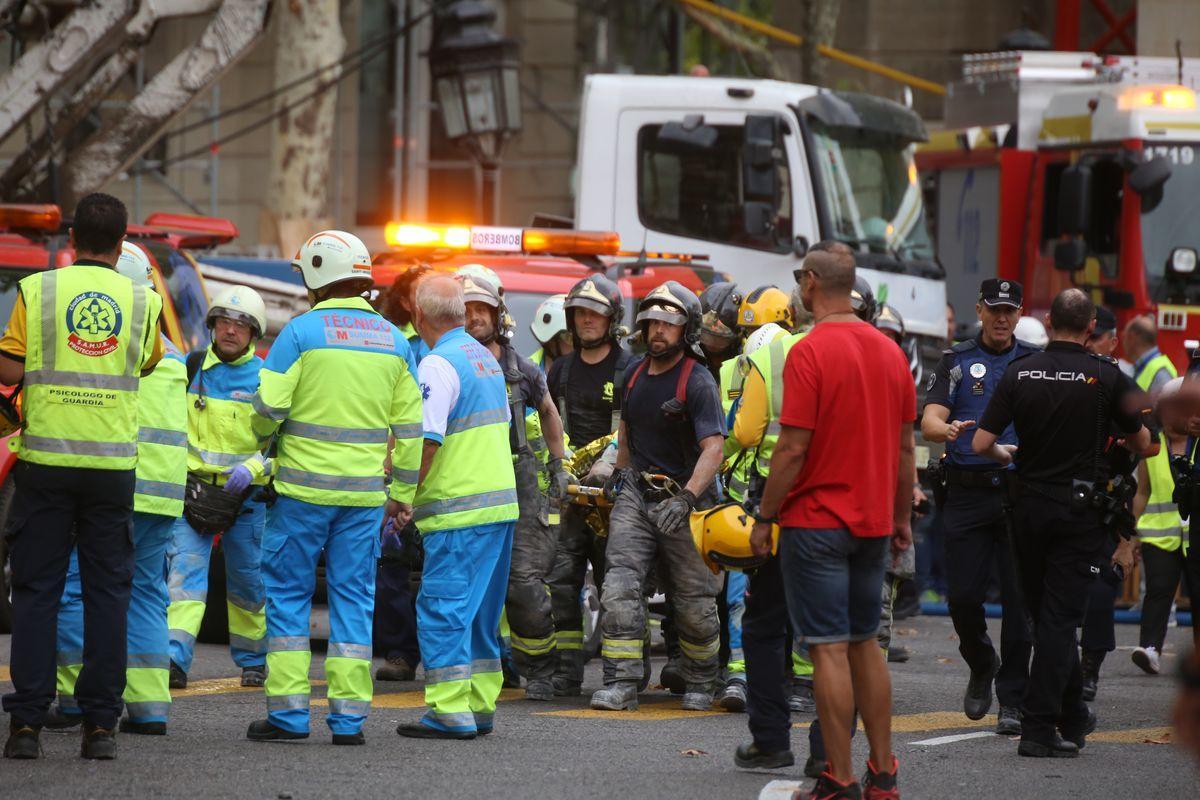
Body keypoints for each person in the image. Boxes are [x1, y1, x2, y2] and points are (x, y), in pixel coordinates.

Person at [1, 192, 164, 760]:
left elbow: (9, 365)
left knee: (38, 590)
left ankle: (25, 724)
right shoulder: (141, 300)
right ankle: (100, 728)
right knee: (107, 594)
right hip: (110, 469)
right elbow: (148, 362)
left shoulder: (38, 291)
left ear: (71, 241)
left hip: (46, 463)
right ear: (123, 244)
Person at [748, 248, 914, 799]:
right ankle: (883, 774)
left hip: (817, 521)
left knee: (827, 648)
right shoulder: (890, 351)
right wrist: (901, 517)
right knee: (866, 643)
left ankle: (838, 777)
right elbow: (906, 448)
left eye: (799, 280)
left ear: (812, 282)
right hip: (872, 522)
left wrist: (765, 516)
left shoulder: (810, 349)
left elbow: (792, 447)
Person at [246, 230, 423, 745]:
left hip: (301, 494)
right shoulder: (393, 340)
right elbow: (411, 430)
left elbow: (267, 409)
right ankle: (349, 722)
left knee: (286, 600)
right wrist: (403, 495)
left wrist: (263, 437)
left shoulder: (299, 333)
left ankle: (288, 717)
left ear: (319, 276)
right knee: (353, 601)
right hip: (364, 499)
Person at [974, 288, 1152, 758]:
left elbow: (980, 444)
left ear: (1049, 321)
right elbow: (1147, 444)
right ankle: (1037, 729)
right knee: (1058, 622)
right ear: (1092, 327)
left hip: (1026, 512)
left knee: (1047, 616)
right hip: (1079, 515)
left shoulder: (1018, 372)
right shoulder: (1108, 377)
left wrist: (1005, 453)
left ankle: (1072, 715)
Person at [47, 241, 188, 736]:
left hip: (114, 486)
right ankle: (150, 707)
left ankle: (74, 700)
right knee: (148, 591)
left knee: (76, 588)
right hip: (163, 491)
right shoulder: (171, 353)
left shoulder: (109, 347)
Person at [732, 241, 851, 775]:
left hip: (789, 512)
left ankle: (770, 740)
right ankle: (828, 753)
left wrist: (764, 517)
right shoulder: (869, 349)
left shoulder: (770, 352)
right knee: (837, 635)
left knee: (764, 625)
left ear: (807, 285)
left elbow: (762, 436)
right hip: (850, 513)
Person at [589, 281, 726, 713]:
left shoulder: (697, 381)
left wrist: (686, 499)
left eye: (668, 323)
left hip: (685, 502)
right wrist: (619, 472)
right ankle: (622, 682)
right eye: (651, 323)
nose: (658, 332)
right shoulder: (632, 375)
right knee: (620, 586)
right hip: (636, 495)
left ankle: (702, 679)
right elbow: (626, 433)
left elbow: (714, 449)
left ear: (686, 330)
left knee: (693, 598)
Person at [396, 274, 518, 739]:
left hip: (458, 511)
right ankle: (479, 706)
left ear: (418, 316)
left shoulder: (437, 364)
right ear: (464, 314)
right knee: (483, 614)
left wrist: (402, 497)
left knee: (443, 608)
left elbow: (426, 443)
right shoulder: (484, 360)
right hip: (498, 508)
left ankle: (449, 710)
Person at [920, 278, 1035, 736]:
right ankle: (982, 661)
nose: (1002, 317)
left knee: (1017, 601)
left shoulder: (1033, 362)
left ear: (1020, 313)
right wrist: (944, 430)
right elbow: (929, 417)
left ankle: (1013, 700)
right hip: (966, 493)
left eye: (1010, 309)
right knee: (963, 598)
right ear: (980, 310)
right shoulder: (956, 360)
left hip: (1017, 494)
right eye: (995, 309)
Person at [460, 273, 569, 700]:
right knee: (468, 580)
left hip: (517, 478)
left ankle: (540, 669)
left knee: (523, 581)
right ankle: (479, 665)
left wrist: (559, 466)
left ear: (496, 316)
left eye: (481, 311)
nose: (473, 319)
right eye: (466, 312)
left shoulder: (519, 367)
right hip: (466, 476)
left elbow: (548, 412)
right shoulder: (447, 361)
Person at [165, 285, 271, 690]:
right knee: (185, 580)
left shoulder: (266, 379)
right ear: (212, 325)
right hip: (193, 494)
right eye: (224, 321)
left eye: (241, 325)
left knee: (247, 581)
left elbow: (281, 442)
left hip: (246, 496)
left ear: (253, 333)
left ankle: (254, 661)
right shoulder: (190, 368)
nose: (231, 330)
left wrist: (254, 467)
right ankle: (174, 659)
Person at [545, 274, 634, 696]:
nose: (586, 320)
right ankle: (567, 673)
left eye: (595, 313)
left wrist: (610, 467)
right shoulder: (559, 370)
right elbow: (546, 425)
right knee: (561, 580)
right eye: (580, 312)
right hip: (569, 496)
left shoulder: (630, 367)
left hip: (616, 496)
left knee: (618, 585)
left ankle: (622, 676)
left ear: (612, 318)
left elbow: (637, 428)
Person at [375, 263, 432, 683]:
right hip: (398, 462)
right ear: (407, 301)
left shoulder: (449, 344)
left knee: (439, 568)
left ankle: (445, 653)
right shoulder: (392, 341)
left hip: (441, 470)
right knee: (392, 562)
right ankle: (400, 653)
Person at [1077, 305, 1137, 701]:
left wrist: (1127, 539)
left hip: (1106, 506)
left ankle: (1089, 672)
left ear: (1112, 341)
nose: (1090, 342)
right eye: (1086, 334)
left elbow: (1144, 451)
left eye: (1097, 336)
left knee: (1100, 592)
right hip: (1062, 500)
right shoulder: (1066, 376)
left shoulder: (1123, 387)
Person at [1131, 377, 1198, 674]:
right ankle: (1150, 649)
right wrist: (1129, 534)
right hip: (1160, 534)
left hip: (1194, 534)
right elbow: (1142, 491)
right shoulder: (1153, 445)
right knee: (1158, 589)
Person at [698, 281, 743, 380]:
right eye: (706, 337)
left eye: (719, 340)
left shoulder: (744, 359)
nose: (712, 344)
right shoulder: (690, 354)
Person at [1123, 313, 1177, 395]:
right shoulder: (1146, 367)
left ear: (1132, 337)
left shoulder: (1161, 372)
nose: (1123, 343)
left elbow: (1164, 407)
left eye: (1124, 337)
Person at [529, 293, 571, 372]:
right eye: (570, 338)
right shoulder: (524, 374)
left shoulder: (589, 373)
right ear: (551, 340)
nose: (578, 344)